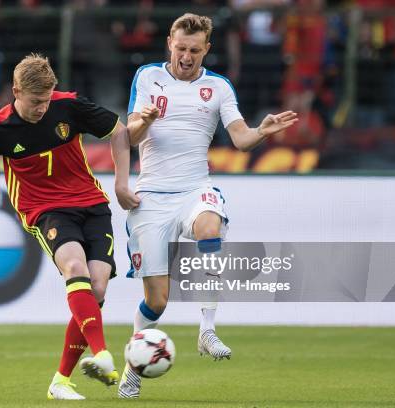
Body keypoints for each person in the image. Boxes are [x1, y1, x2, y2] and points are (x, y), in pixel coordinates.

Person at [0, 54, 137, 400]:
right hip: (46, 210)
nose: (42, 108)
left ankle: (61, 382)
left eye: (47, 100)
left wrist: (121, 184)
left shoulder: (68, 106)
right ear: (16, 91)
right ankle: (102, 354)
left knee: (96, 289)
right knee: (74, 267)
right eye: (36, 101)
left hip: (92, 205)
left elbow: (119, 130)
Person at [118, 13, 297, 398]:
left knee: (209, 228)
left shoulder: (217, 87)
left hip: (195, 189)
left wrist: (261, 133)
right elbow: (129, 136)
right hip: (151, 197)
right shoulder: (148, 77)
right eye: (181, 48)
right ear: (170, 42)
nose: (186, 57)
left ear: (206, 50)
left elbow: (240, 139)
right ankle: (133, 366)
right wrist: (145, 120)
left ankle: (207, 330)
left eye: (195, 51)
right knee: (157, 299)